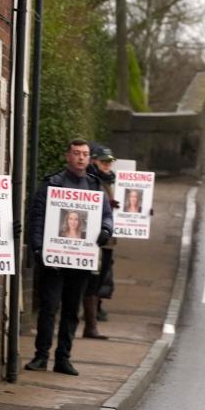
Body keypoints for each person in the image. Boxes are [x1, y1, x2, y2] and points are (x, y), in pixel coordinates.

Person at [25, 138, 114, 376]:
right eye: (76, 153)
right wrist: (36, 248)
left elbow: (106, 215)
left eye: (85, 154)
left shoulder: (95, 187)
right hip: (54, 259)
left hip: (80, 260)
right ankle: (41, 356)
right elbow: (37, 217)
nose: (81, 157)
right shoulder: (52, 183)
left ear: (89, 158)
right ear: (68, 156)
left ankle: (63, 357)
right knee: (49, 307)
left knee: (71, 311)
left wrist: (106, 230)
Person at [83, 144, 118, 338]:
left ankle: (93, 321)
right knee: (93, 281)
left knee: (100, 279)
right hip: (94, 240)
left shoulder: (108, 181)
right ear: (94, 161)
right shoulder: (92, 181)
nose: (107, 165)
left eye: (110, 162)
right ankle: (91, 326)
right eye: (103, 161)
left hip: (108, 240)